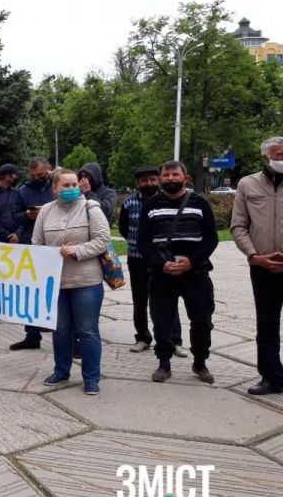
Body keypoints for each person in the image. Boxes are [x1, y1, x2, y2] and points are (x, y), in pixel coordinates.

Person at [138, 161, 218, 385]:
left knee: (202, 320)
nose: (171, 178)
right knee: (161, 321)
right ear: (161, 178)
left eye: (175, 174)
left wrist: (191, 261)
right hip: (162, 275)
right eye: (166, 175)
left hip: (196, 273)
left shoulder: (200, 203)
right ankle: (163, 362)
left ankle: (200, 362)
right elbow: (143, 242)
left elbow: (211, 238)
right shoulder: (151, 205)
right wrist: (160, 264)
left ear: (186, 177)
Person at [35, 168, 109, 395]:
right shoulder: (46, 211)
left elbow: (102, 240)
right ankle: (61, 371)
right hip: (57, 283)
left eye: (74, 184)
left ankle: (91, 378)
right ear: (55, 189)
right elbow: (36, 242)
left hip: (86, 282)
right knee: (61, 329)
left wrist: (77, 250)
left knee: (87, 331)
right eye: (65, 185)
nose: (71, 189)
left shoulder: (91, 208)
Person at [231, 136, 283, 395]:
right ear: (265, 158)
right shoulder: (247, 184)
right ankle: (271, 376)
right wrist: (254, 256)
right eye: (279, 154)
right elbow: (238, 226)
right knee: (267, 324)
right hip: (262, 266)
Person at [119, 165, 183, 354]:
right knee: (139, 300)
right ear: (137, 183)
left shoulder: (167, 201)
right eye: (144, 180)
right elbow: (123, 228)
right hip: (137, 259)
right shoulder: (129, 204)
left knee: (168, 300)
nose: (149, 183)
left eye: (152, 179)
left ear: (159, 181)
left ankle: (175, 340)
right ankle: (143, 337)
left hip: (162, 261)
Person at [9, 156, 54, 350]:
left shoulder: (58, 187)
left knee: (56, 291)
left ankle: (69, 338)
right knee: (30, 290)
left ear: (49, 170)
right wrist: (28, 215)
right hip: (30, 242)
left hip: (54, 243)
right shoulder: (23, 191)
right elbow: (15, 216)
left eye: (41, 174)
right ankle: (32, 335)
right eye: (34, 175)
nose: (38, 178)